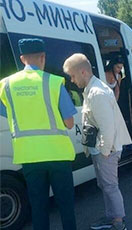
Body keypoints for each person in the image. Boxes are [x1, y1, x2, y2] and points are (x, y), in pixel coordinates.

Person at [0, 38, 77, 230]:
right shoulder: (53, 82)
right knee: (66, 206)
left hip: (29, 157)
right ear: (43, 57)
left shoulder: (6, 85)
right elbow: (69, 123)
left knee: (38, 207)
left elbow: (7, 112)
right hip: (58, 156)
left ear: (22, 58)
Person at [63, 53, 132, 230]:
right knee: (106, 185)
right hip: (101, 149)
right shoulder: (91, 89)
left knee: (110, 186)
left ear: (83, 72)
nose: (71, 80)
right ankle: (111, 218)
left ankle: (118, 223)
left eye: (73, 75)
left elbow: (107, 128)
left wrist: (104, 152)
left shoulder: (96, 93)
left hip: (105, 150)